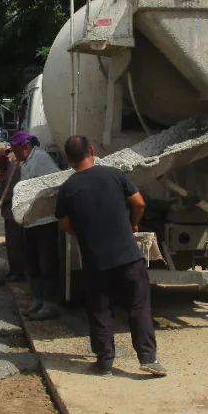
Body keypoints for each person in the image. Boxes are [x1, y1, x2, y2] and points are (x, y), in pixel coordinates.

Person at [55, 135, 166, 377]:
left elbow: (64, 224)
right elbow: (139, 203)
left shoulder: (68, 188)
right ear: (92, 150)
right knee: (138, 305)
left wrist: (85, 233)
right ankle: (148, 359)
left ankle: (105, 362)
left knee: (100, 309)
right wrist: (132, 225)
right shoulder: (113, 175)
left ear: (69, 159)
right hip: (127, 255)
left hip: (95, 260)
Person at [10, 130, 63, 318]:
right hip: (30, 221)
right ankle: (37, 299)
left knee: (46, 263)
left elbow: (56, 181)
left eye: (15, 150)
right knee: (31, 263)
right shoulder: (25, 162)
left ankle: (49, 304)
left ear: (25, 147)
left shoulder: (40, 158)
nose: (14, 154)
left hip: (44, 220)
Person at [0, 144, 25, 280]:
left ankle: (18, 273)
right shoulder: (5, 168)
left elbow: (11, 193)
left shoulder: (13, 170)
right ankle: (14, 270)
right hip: (8, 213)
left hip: (14, 214)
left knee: (15, 244)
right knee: (11, 243)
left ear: (4, 159)